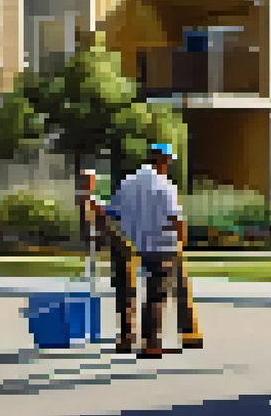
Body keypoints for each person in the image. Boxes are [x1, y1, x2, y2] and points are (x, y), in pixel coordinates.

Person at [115, 144, 201, 358]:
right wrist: (183, 240)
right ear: (164, 160)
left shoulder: (128, 183)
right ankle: (151, 344)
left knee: (135, 293)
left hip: (138, 245)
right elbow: (175, 218)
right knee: (157, 296)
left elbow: (113, 212)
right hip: (163, 245)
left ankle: (130, 339)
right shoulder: (164, 185)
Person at [77, 169, 138, 354]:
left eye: (90, 181)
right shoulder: (91, 201)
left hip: (127, 249)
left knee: (128, 290)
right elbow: (94, 226)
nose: (88, 184)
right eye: (86, 181)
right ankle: (129, 333)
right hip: (120, 250)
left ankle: (129, 336)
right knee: (124, 290)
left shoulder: (118, 201)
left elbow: (108, 216)